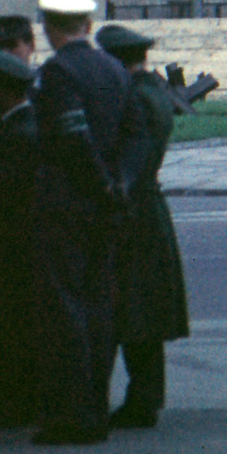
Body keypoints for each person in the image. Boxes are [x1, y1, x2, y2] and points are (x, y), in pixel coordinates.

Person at [31, 0, 130, 445]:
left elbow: (72, 136)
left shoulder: (57, 71)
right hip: (106, 205)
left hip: (67, 202)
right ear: (87, 25)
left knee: (64, 309)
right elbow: (137, 134)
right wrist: (118, 184)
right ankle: (97, 407)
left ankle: (74, 415)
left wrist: (99, 183)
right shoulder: (113, 68)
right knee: (98, 306)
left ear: (50, 29)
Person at [96, 24, 189, 430]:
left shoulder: (134, 98)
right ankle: (144, 398)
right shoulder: (153, 91)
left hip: (133, 210)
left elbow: (129, 155)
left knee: (129, 308)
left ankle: (140, 401)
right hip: (147, 207)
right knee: (142, 310)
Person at [0, 50, 39, 427]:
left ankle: (16, 405)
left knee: (14, 329)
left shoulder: (20, 134)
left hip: (16, 248)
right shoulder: (19, 127)